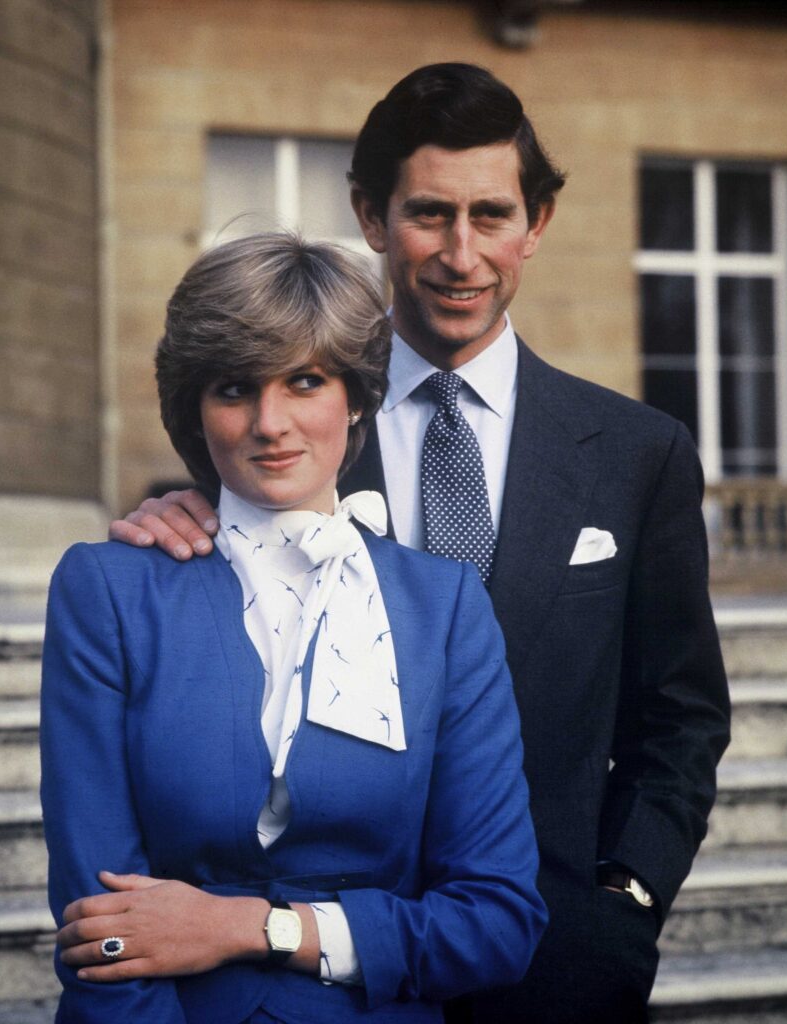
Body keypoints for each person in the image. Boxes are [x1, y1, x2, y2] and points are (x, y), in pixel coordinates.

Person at [109, 64, 731, 1023]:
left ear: (537, 224)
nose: (460, 253)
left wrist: (626, 899)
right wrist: (171, 518)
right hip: (324, 971)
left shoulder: (638, 455)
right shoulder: (285, 438)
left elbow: (680, 718)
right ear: (368, 215)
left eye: (490, 216)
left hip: (558, 964)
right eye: (429, 214)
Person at [40, 232, 545, 1024]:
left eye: (305, 380)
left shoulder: (443, 609)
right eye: (234, 388)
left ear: (356, 398)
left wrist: (254, 928)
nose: (270, 422)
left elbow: (495, 925)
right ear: (193, 410)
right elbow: (99, 931)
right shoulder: (108, 589)